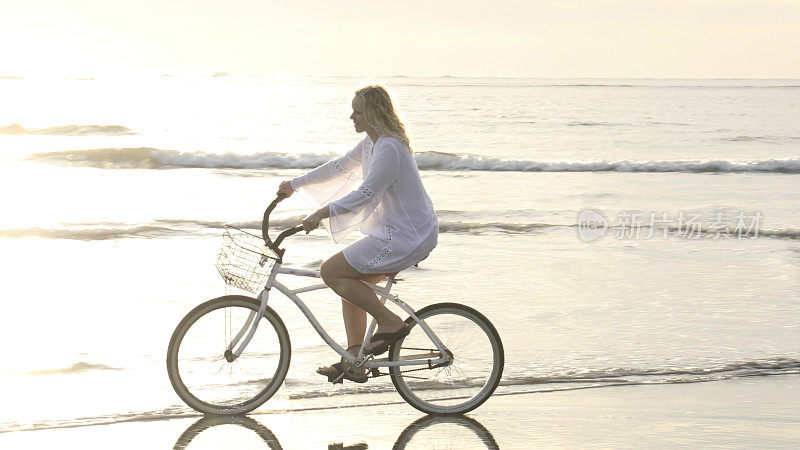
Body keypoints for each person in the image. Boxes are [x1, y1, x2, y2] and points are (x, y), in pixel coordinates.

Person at [276, 85, 438, 383]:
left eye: (358, 111)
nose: (352, 116)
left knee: (331, 271)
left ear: (373, 113)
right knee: (347, 282)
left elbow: (366, 193)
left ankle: (389, 321)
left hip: (407, 235)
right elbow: (339, 167)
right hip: (397, 231)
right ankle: (356, 360)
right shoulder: (371, 143)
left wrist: (321, 213)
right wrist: (295, 184)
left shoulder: (390, 147)